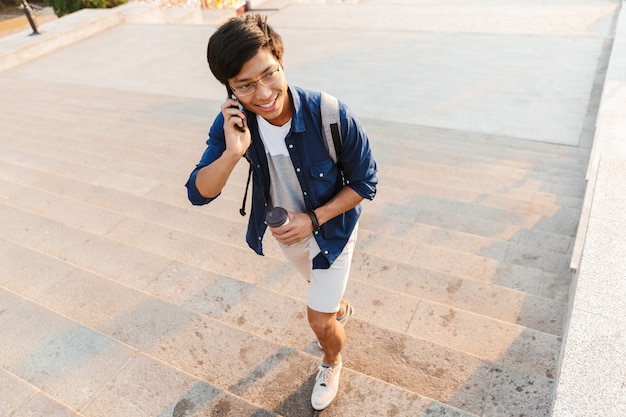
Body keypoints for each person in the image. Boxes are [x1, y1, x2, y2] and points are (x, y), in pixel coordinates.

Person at [185, 13, 378, 411]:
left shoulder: (330, 113)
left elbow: (365, 183)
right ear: (230, 88)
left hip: (332, 230)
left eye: (269, 74)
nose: (264, 93)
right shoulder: (233, 125)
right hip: (286, 235)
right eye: (246, 85)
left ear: (281, 60)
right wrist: (233, 151)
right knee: (324, 294)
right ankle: (339, 305)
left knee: (319, 320)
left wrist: (314, 219)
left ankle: (331, 360)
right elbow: (199, 193)